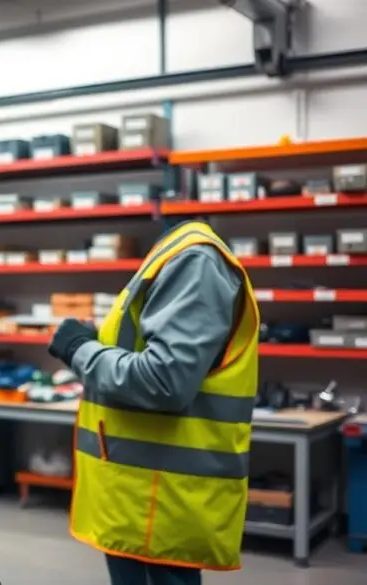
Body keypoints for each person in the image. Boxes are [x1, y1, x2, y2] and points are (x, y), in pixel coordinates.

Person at [47, 217, 261, 585]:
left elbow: (163, 381)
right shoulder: (173, 256)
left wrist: (80, 349)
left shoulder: (194, 260)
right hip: (141, 497)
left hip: (160, 501)